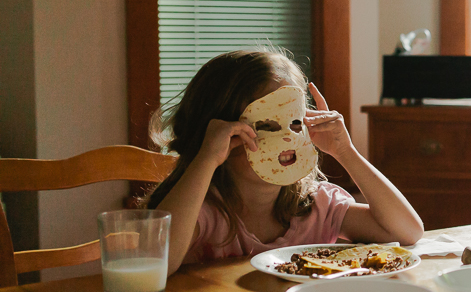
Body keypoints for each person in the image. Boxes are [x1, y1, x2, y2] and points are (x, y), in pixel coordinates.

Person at [148, 50, 423, 273]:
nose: (289, 138)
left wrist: (345, 152)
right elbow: (156, 262)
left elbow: (408, 232)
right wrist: (205, 160)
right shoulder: (205, 213)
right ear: (221, 135)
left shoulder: (317, 207)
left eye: (294, 123)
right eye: (267, 126)